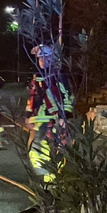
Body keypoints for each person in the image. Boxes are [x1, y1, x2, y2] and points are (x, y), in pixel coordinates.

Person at [25, 44, 74, 180]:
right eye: (40, 58)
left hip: (54, 118)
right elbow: (32, 98)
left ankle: (53, 178)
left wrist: (65, 117)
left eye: (46, 57)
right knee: (35, 148)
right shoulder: (37, 77)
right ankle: (43, 178)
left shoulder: (58, 76)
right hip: (38, 119)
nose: (42, 61)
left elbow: (67, 96)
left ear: (52, 59)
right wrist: (28, 115)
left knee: (57, 147)